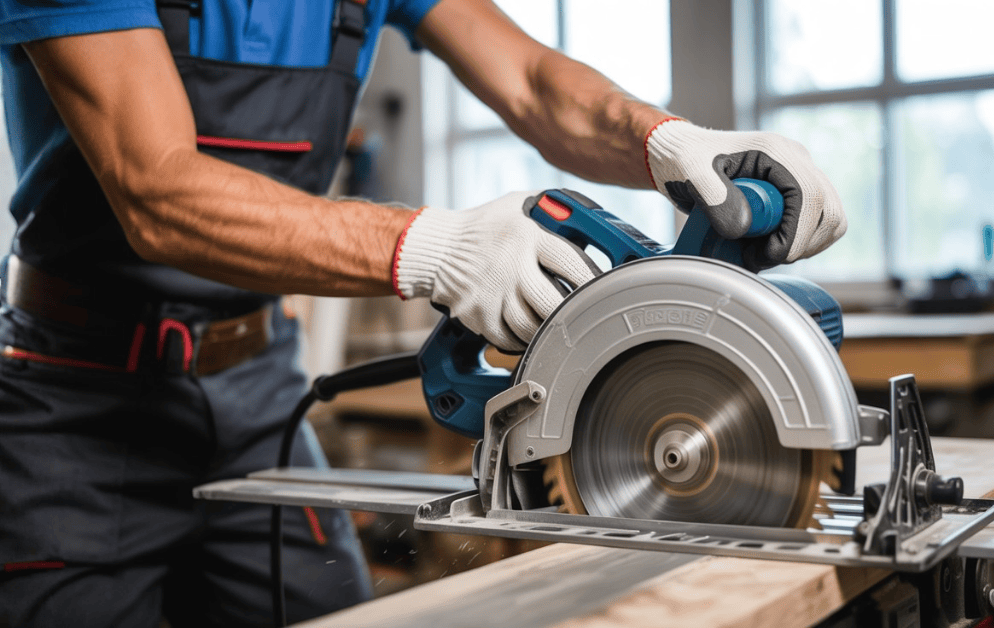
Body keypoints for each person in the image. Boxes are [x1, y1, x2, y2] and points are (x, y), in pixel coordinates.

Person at [0, 0, 846, 625]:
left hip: (257, 382)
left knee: (334, 612)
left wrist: (670, 144)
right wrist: (438, 249)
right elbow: (157, 190)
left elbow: (530, 81)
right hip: (78, 397)